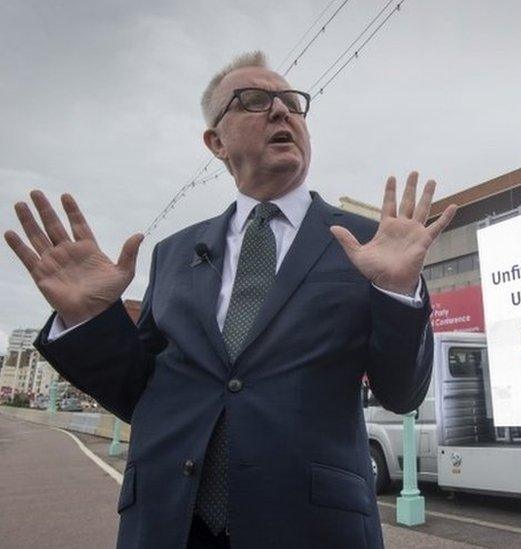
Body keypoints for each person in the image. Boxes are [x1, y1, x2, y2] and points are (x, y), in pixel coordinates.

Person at [3, 51, 456, 549]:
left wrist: (395, 292)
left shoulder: (372, 244)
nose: (282, 112)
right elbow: (144, 394)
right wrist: (90, 320)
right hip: (169, 522)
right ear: (215, 141)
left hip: (312, 527)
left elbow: (402, 392)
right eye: (256, 101)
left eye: (292, 103)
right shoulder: (173, 253)